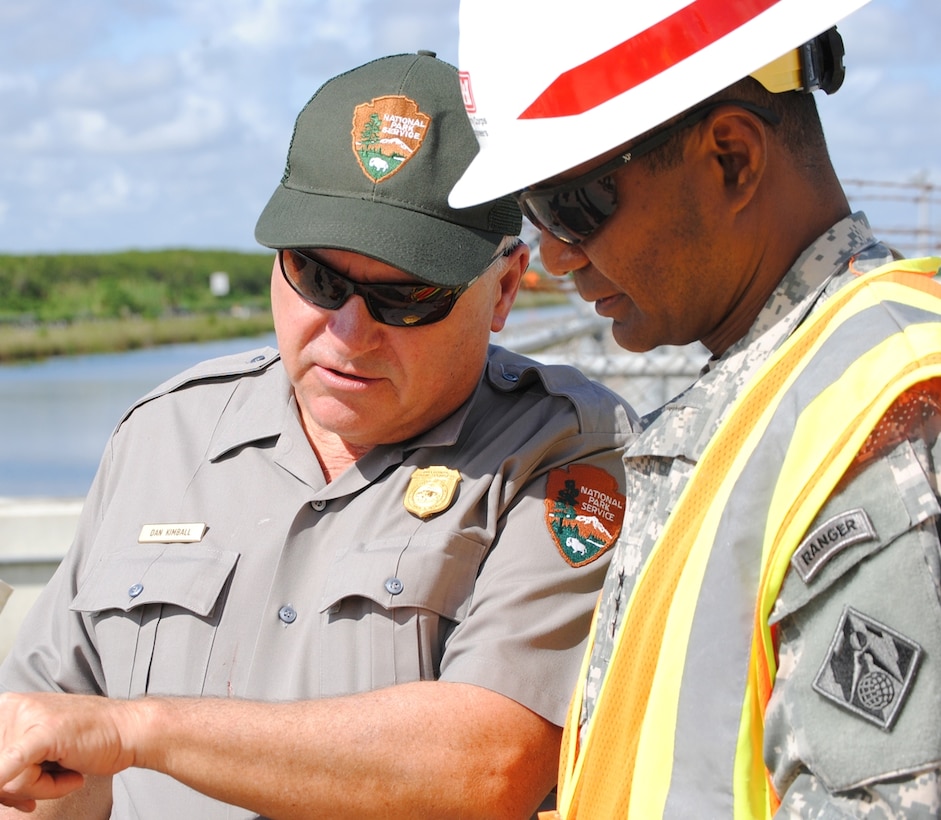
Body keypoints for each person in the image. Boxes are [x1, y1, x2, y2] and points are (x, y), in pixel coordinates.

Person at [0, 52, 636, 819]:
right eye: (317, 278)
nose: (348, 331)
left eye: (405, 298)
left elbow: (486, 764)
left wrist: (138, 730)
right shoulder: (164, 434)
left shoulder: (563, 451)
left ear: (503, 290)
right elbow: (38, 730)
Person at [449, 1, 941, 818]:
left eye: (572, 206)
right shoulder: (778, 390)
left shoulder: (885, 426)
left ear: (731, 160)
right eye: (531, 214)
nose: (555, 255)